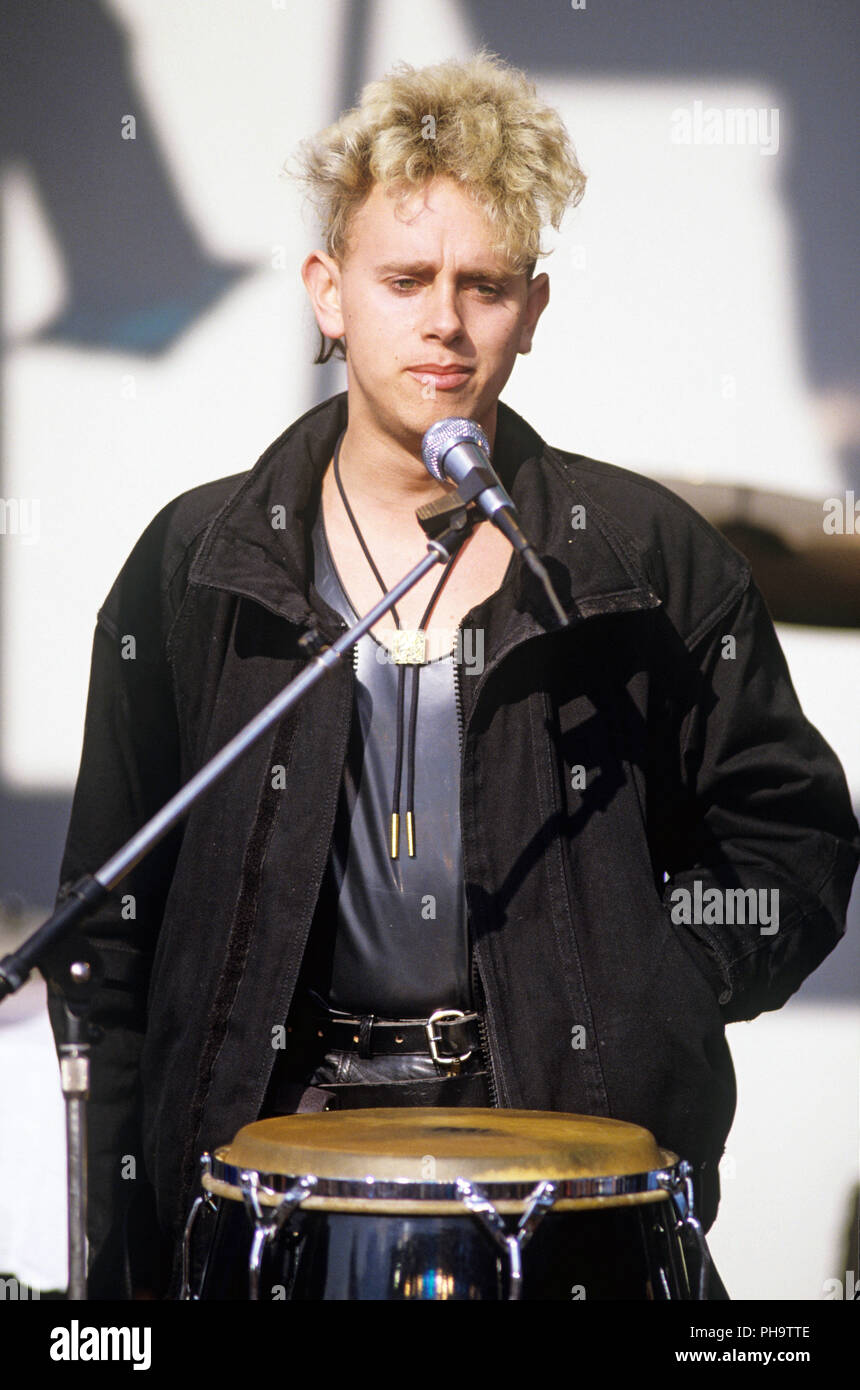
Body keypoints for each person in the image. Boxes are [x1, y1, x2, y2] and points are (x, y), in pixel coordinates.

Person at [47, 52, 859, 1300]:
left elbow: (791, 843)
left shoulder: (642, 560)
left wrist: (654, 983)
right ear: (327, 295)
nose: (443, 320)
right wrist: (121, 1266)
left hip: (562, 1160)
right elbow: (111, 934)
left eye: (482, 285)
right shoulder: (195, 567)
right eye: (404, 279)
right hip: (268, 1168)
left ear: (530, 311)